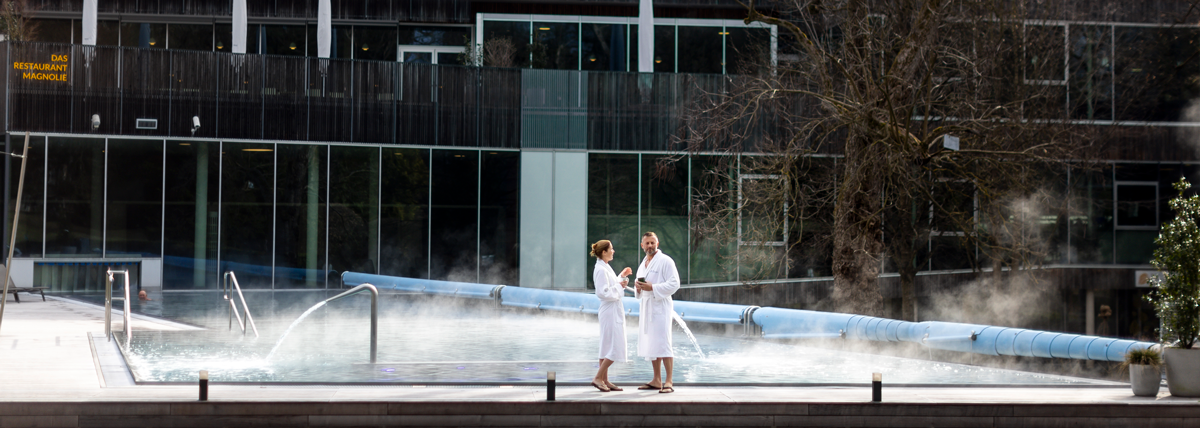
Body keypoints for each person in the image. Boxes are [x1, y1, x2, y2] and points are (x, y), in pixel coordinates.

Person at [634, 231, 680, 393]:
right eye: (647, 243)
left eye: (652, 243)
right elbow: (641, 283)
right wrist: (638, 287)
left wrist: (653, 287)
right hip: (647, 308)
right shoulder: (644, 263)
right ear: (642, 246)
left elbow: (675, 284)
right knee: (652, 342)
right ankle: (656, 380)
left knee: (664, 342)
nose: (650, 246)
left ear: (657, 244)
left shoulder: (666, 261)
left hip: (661, 307)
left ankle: (668, 381)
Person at [590, 239, 633, 392]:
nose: (613, 251)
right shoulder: (601, 269)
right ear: (604, 252)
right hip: (609, 310)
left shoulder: (605, 267)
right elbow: (603, 292)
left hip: (611, 309)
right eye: (611, 249)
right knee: (614, 346)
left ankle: (605, 380)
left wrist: (621, 276)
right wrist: (619, 286)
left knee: (606, 345)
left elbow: (612, 285)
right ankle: (598, 377)